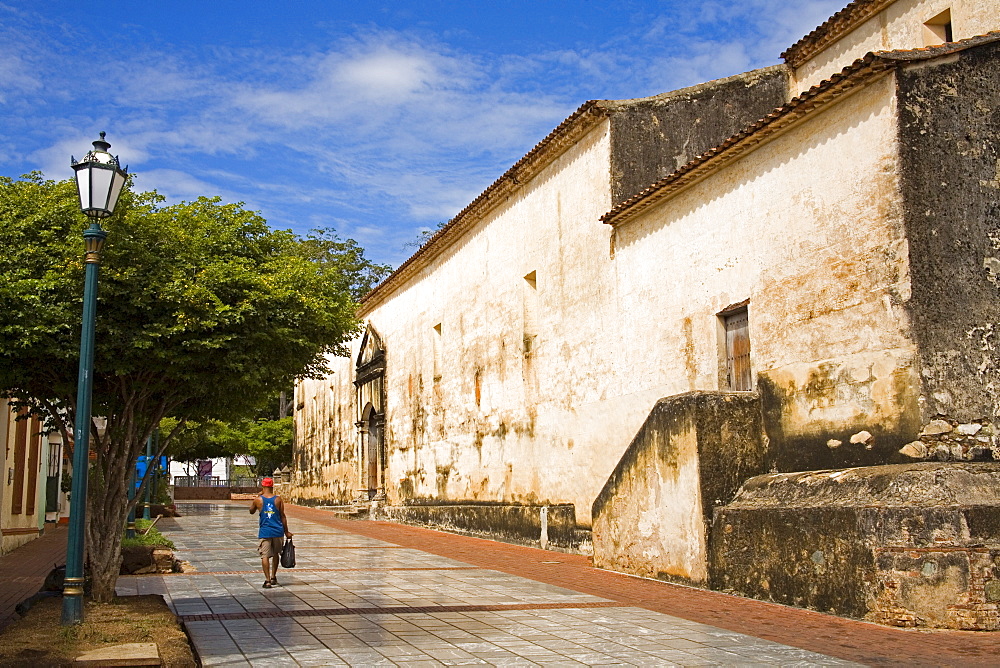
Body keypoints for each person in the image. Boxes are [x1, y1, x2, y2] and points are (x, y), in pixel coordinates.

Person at [249, 476, 292, 588]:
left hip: (265, 531)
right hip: (278, 531)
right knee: (276, 554)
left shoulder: (258, 500)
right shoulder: (278, 499)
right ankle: (273, 576)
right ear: (272, 486)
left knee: (265, 556)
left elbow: (251, 511)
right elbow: (283, 516)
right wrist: (286, 532)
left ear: (263, 486)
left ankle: (267, 580)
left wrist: (258, 497)